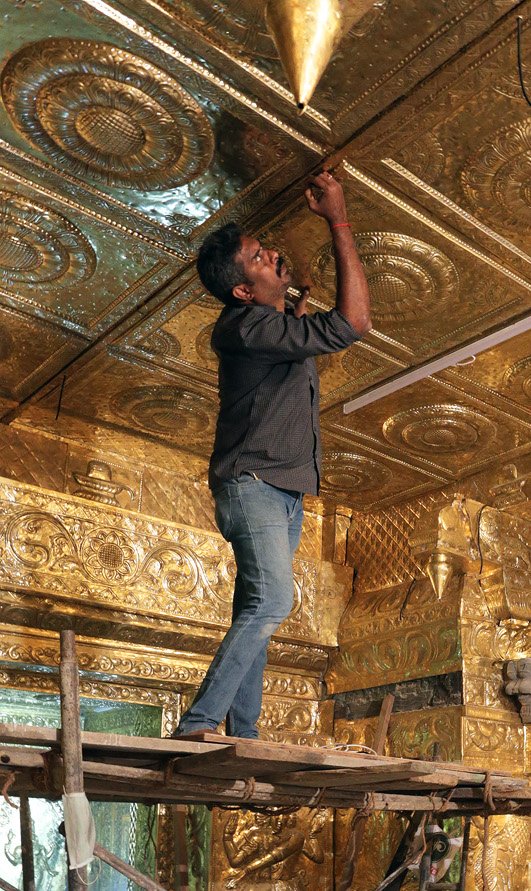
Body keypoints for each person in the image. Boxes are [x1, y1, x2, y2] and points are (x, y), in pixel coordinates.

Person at [173, 170, 371, 742]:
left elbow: (306, 336)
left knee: (255, 610)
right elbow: (354, 323)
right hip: (253, 484)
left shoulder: (265, 324)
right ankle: (199, 725)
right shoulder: (247, 325)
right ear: (241, 290)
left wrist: (289, 303)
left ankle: (242, 731)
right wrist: (338, 217)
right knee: (274, 601)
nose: (274, 254)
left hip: (278, 489)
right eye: (260, 257)